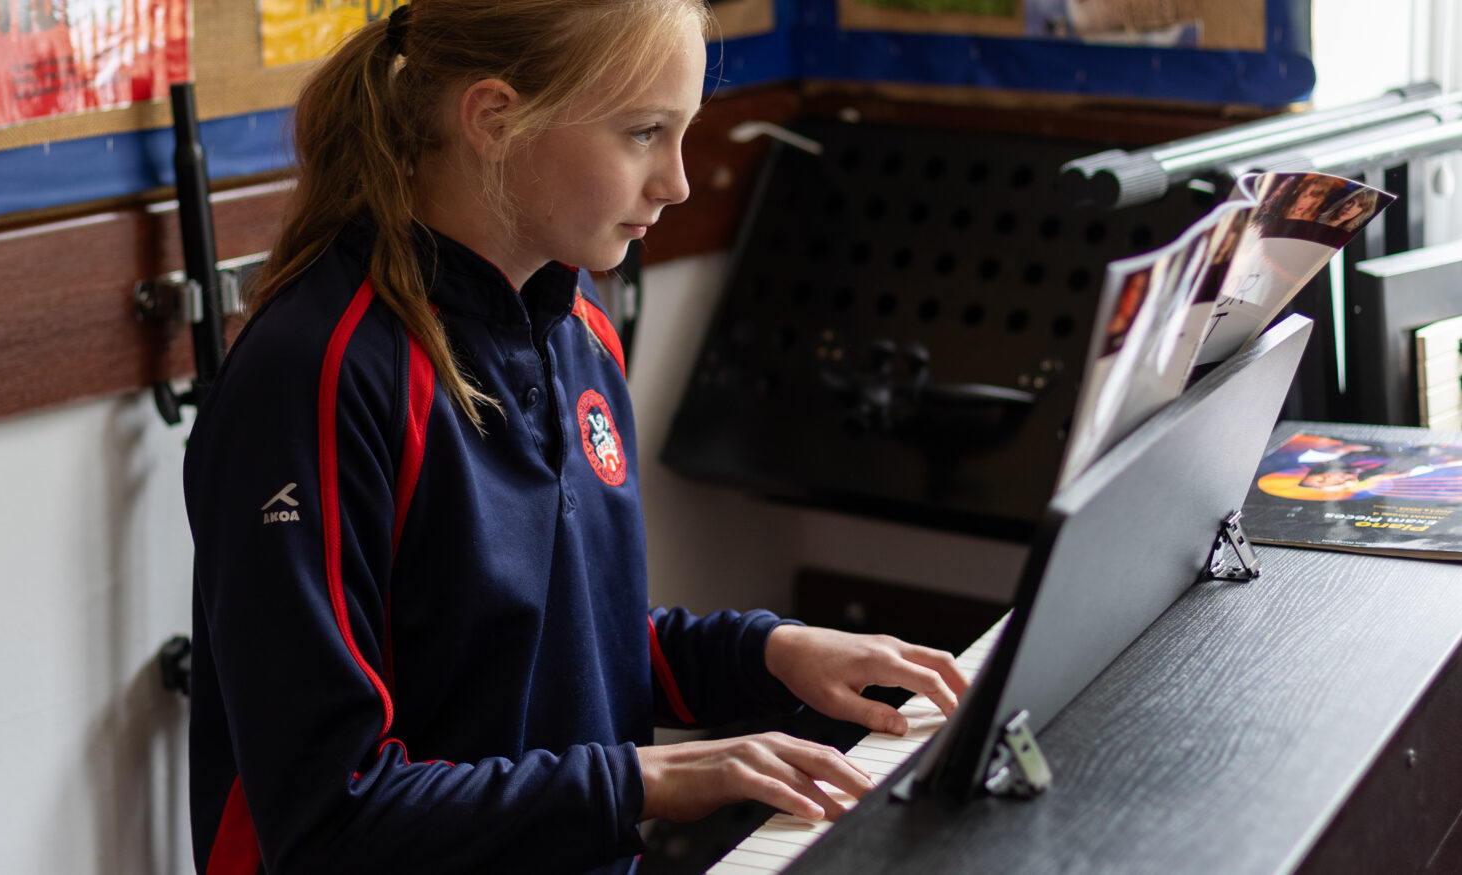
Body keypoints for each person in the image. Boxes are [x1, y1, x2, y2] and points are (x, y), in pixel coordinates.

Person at [181, 2, 968, 873]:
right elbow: (329, 817)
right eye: (644, 133)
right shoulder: (316, 375)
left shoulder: (577, 323)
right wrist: (641, 781)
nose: (677, 183)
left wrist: (764, 653)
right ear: (493, 119)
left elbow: (557, 650)